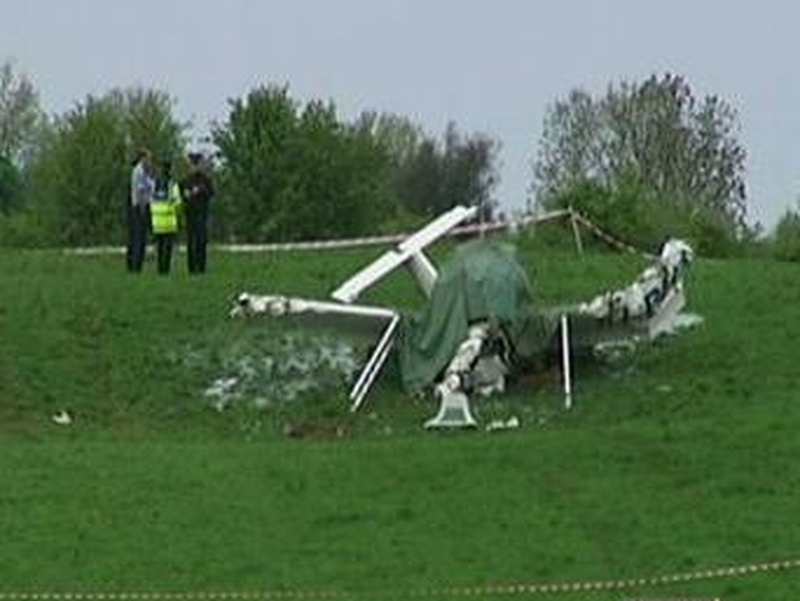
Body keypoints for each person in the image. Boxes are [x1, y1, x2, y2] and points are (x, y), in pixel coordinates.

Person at [181, 152, 214, 273]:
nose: (195, 167)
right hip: (190, 214)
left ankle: (201, 267)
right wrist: (187, 195)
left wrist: (200, 190)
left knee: (201, 241)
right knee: (191, 242)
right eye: (193, 165)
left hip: (202, 214)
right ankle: (191, 267)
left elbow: (211, 193)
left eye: (197, 164)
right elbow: (181, 195)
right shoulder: (186, 181)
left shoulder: (205, 180)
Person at [149, 160, 182, 275]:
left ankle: (159, 269)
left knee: (159, 248)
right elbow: (178, 202)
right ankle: (165, 270)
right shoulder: (172, 184)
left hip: (157, 222)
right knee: (167, 249)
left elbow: (150, 199)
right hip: (169, 222)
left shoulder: (155, 183)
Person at [127, 149, 153, 272]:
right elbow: (140, 191)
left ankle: (134, 265)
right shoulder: (139, 171)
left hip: (140, 207)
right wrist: (143, 207)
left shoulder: (143, 172)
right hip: (139, 208)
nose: (150, 161)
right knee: (139, 238)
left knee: (138, 237)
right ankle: (135, 266)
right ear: (143, 158)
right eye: (148, 158)